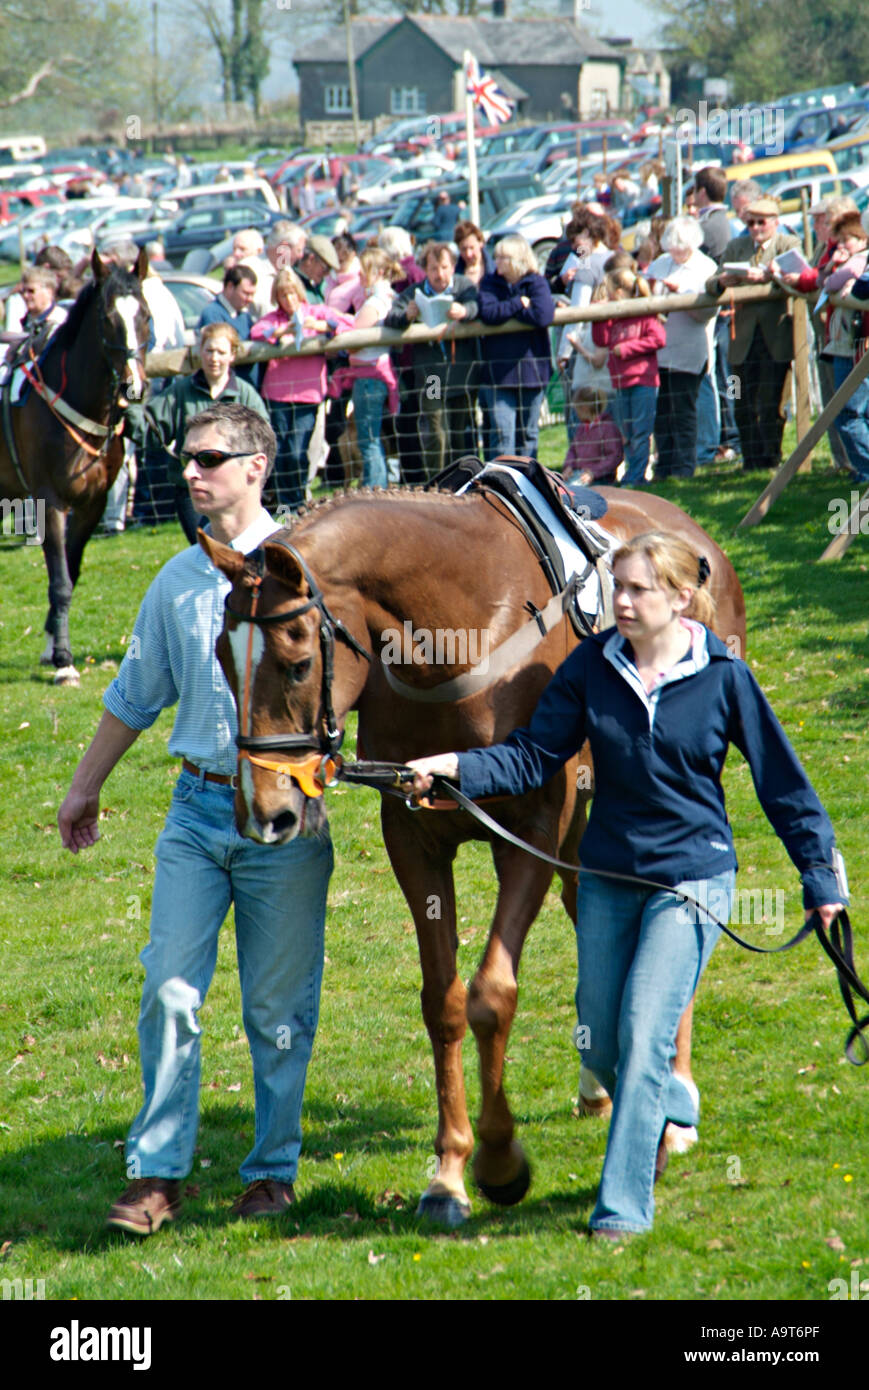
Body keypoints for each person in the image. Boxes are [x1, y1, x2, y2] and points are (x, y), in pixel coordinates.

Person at [406, 530, 844, 1237]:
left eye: (639, 588)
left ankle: (620, 1208)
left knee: (643, 1033)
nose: (623, 600)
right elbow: (530, 758)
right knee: (599, 1043)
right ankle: (668, 1099)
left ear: (679, 598)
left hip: (691, 879)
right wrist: (456, 768)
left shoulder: (721, 675)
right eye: (618, 586)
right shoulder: (590, 667)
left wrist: (819, 876)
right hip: (607, 875)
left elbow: (782, 785)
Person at [58, 402, 334, 1236]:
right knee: (170, 991)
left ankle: (272, 1171)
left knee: (277, 1009)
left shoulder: (311, 570)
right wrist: (83, 787)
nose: (190, 471)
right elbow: (136, 696)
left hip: (284, 822)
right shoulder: (176, 579)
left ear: (257, 464)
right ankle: (157, 1174)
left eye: (209, 457)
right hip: (195, 811)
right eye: (185, 458)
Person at [124, 323, 269, 543]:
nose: (214, 358)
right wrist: (132, 396)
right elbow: (148, 432)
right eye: (209, 350)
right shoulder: (180, 392)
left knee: (242, 550)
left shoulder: (246, 395)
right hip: (193, 491)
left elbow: (263, 441)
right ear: (199, 352)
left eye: (221, 352)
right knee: (206, 550)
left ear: (232, 355)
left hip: (236, 492)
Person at [706, 197, 800, 472]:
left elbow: (803, 273)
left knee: (772, 402)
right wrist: (722, 282)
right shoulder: (737, 247)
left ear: (775, 222)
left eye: (762, 222)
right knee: (741, 401)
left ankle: (770, 458)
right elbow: (711, 282)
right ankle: (750, 460)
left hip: (776, 337)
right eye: (751, 223)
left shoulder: (787, 244)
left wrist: (772, 276)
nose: (756, 228)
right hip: (741, 341)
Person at [251, 268, 351, 510]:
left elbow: (344, 325)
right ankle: (287, 507)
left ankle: (298, 503)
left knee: (298, 451)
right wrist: (281, 332)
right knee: (281, 452)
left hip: (308, 395)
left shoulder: (315, 312)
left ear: (300, 292)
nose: (289, 300)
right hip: (277, 394)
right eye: (284, 295)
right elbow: (256, 332)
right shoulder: (274, 319)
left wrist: (317, 325)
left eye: (293, 294)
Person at [384, 240, 479, 479]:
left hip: (461, 372)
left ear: (453, 266)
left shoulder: (463, 286)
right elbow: (392, 316)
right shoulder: (415, 293)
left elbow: (478, 305)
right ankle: (438, 483)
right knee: (436, 430)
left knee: (460, 432)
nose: (440, 274)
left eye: (445, 267)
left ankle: (466, 481)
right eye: (434, 268)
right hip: (432, 376)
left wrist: (465, 311)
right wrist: (407, 315)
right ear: (426, 269)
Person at [647, 217, 718, 479]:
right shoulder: (659, 264)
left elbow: (708, 313)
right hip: (659, 352)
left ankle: (684, 467)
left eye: (682, 249)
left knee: (683, 410)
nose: (676, 254)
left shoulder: (706, 267)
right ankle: (664, 467)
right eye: (672, 248)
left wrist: (683, 294)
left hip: (688, 350)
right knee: (662, 413)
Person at [477, 233, 554, 462]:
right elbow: (489, 313)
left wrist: (509, 310)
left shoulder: (536, 282)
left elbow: (543, 315)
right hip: (499, 374)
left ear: (518, 259)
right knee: (502, 435)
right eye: (496, 256)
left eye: (504, 257)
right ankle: (502, 486)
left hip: (533, 371)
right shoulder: (490, 283)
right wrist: (519, 303)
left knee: (528, 435)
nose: (497, 261)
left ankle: (528, 486)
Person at [592, 267, 666, 487]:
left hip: (643, 381)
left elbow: (658, 339)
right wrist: (598, 317)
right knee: (626, 431)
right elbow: (602, 340)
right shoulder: (614, 315)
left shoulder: (643, 311)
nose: (607, 295)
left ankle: (637, 475)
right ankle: (632, 472)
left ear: (620, 291)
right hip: (620, 382)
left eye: (609, 291)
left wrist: (626, 349)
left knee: (641, 431)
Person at [562, 384, 623, 486]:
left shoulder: (607, 428)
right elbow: (573, 450)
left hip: (601, 479)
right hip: (579, 473)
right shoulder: (582, 428)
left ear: (584, 407)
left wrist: (593, 472)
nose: (576, 412)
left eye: (577, 408)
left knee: (573, 490)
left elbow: (614, 456)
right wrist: (569, 466)